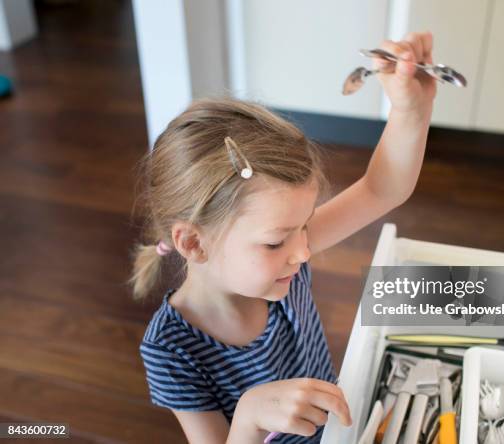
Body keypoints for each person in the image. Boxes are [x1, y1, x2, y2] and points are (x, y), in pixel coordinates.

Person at [130, 32, 436, 444]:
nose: (304, 251)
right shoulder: (171, 351)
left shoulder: (282, 265)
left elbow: (382, 189)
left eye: (305, 226)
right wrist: (249, 418)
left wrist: (410, 110)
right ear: (194, 243)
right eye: (275, 242)